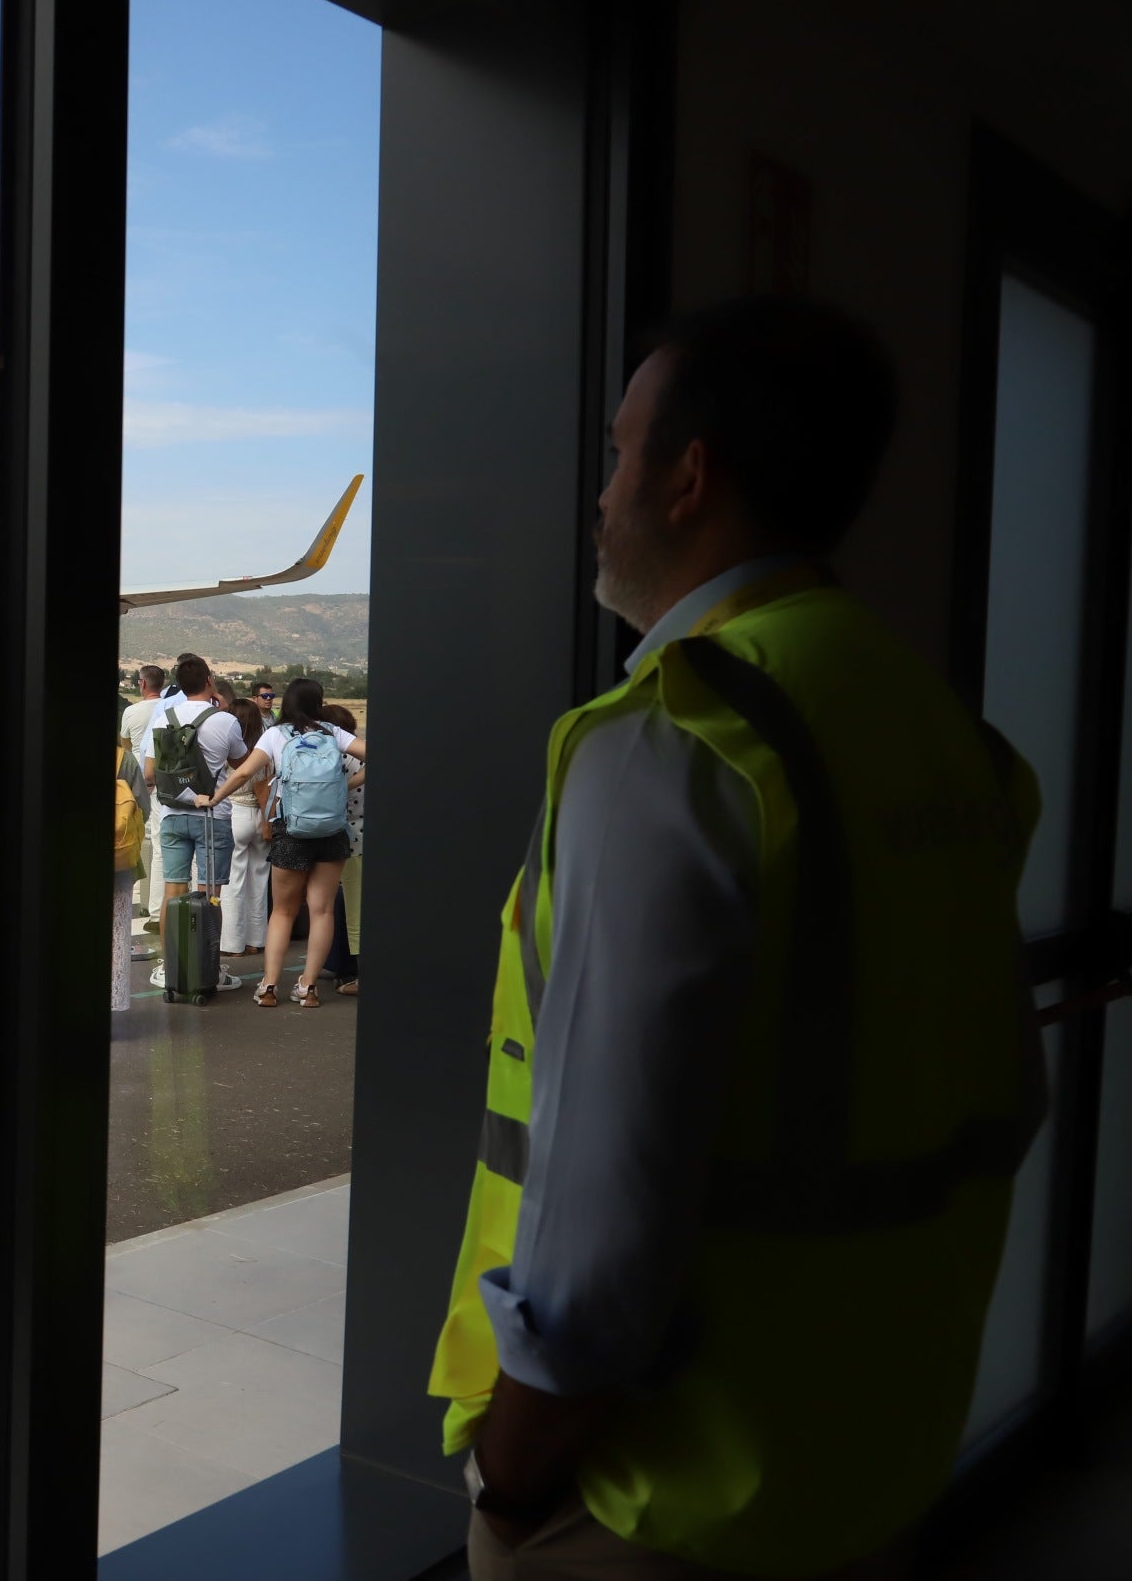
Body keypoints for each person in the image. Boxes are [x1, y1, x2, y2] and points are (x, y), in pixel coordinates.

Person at [430, 297, 1044, 1581]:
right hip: (874, 1455)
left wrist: (508, 1477)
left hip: (665, 1503)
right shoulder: (935, 723)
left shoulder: (674, 740)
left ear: (688, 476)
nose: (601, 495)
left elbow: (599, 1244)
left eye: (617, 454)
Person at [199, 678, 360, 1007]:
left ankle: (270, 986)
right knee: (323, 910)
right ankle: (308, 988)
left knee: (283, 912)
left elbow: (244, 773)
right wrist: (347, 785)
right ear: (318, 702)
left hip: (291, 830)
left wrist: (214, 798)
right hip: (332, 831)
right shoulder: (333, 733)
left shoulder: (276, 734)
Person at [139, 653, 246, 992]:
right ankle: (208, 968)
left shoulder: (163, 718)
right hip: (213, 814)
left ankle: (171, 967)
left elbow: (151, 773)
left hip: (171, 814)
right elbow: (242, 763)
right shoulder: (224, 720)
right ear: (210, 680)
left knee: (174, 891)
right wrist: (224, 705)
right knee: (209, 894)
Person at [220, 697, 270, 958]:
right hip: (261, 815)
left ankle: (232, 942)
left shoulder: (229, 750)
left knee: (233, 882)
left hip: (234, 812)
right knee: (259, 880)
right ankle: (256, 940)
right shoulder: (265, 749)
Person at [120, 665, 167, 937]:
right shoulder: (169, 709)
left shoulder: (132, 712)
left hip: (136, 779)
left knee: (141, 841)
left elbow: (124, 743)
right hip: (160, 781)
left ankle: (145, 897)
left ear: (142, 684)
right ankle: (153, 902)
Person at [324, 703, 364, 996]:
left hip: (342, 838)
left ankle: (351, 972)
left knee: (345, 910)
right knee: (350, 907)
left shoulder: (333, 760)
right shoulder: (362, 759)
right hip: (363, 837)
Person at [112, 735, 151, 1011]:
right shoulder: (122, 758)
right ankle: (116, 1002)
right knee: (118, 931)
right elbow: (143, 808)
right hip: (119, 859)